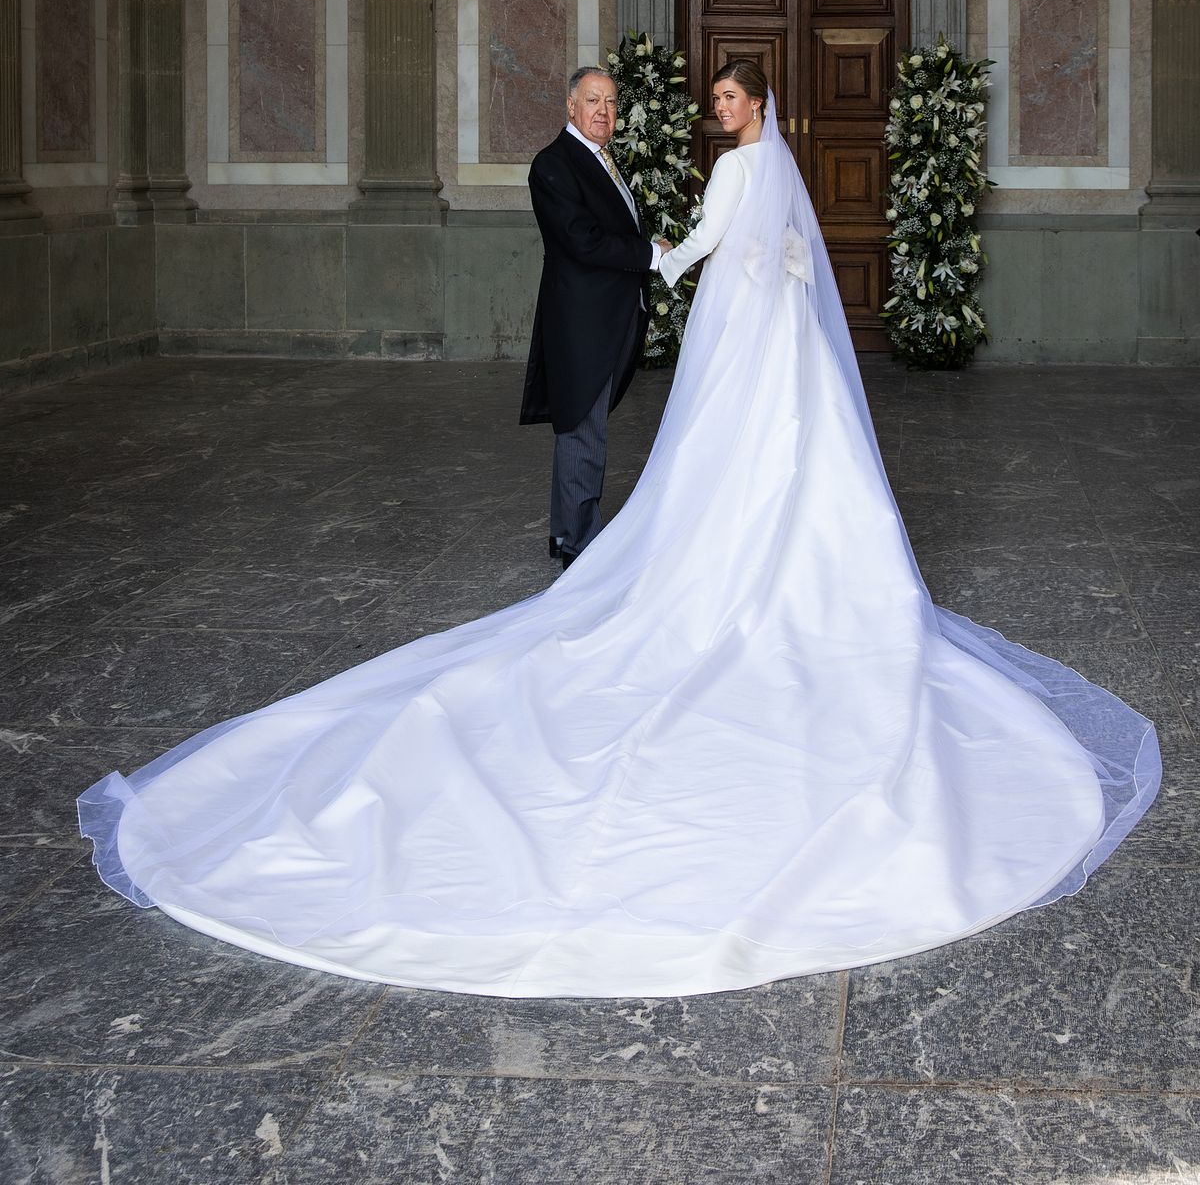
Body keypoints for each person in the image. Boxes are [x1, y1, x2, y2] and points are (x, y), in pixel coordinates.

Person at [77, 59, 1161, 999]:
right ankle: (762, 561)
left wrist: (668, 260)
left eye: (731, 98)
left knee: (719, 455)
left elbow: (708, 246)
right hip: (770, 339)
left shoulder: (736, 171)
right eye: (715, 98)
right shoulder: (763, 168)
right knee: (768, 455)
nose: (720, 109)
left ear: (758, 104)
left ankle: (699, 560)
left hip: (737, 333)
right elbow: (770, 253)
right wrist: (689, 259)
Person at [520, 67, 671, 569]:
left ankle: (568, 534)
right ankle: (578, 548)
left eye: (610, 102)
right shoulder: (553, 164)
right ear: (570, 106)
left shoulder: (602, 158)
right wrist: (651, 254)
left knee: (585, 429)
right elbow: (582, 241)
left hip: (607, 318)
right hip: (581, 324)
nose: (603, 111)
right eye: (592, 100)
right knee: (581, 430)